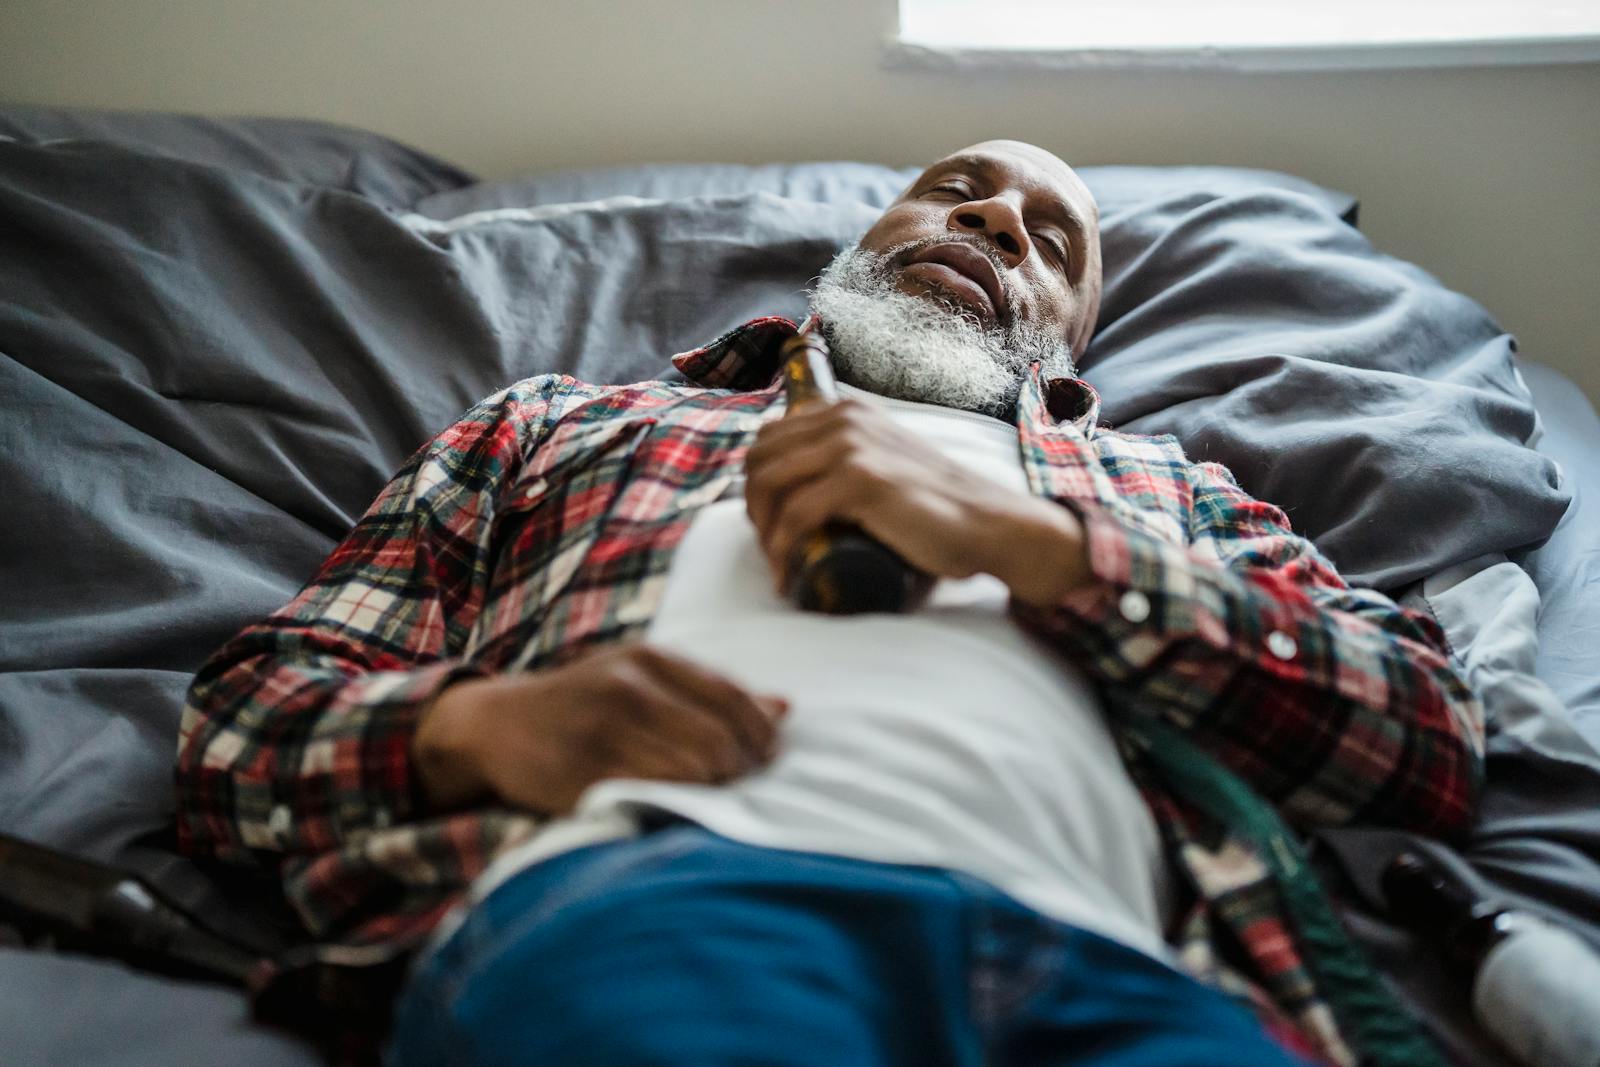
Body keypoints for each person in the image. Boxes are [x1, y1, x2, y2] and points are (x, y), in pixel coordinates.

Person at [174, 140, 1484, 1066]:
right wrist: (479, 731)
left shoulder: (1167, 494)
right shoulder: (561, 426)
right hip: (669, 904)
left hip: (1127, 973)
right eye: (955, 191)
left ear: (1075, 331)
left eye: (1052, 237)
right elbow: (241, 731)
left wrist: (1038, 546)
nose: (995, 222)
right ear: (861, 249)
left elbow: (1427, 733)